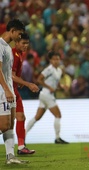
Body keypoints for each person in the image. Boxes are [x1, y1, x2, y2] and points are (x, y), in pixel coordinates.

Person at [0, 19, 29, 164]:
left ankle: (10, 157)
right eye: (19, 34)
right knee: (4, 125)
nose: (20, 37)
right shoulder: (0, 45)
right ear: (12, 31)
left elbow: (8, 73)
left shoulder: (9, 49)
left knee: (10, 125)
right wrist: (6, 89)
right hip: (2, 91)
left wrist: (12, 88)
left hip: (9, 90)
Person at [26, 51, 69, 144]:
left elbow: (55, 84)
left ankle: (23, 134)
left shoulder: (59, 70)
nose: (56, 61)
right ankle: (57, 138)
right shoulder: (48, 69)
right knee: (58, 115)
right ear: (50, 60)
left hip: (45, 95)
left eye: (57, 59)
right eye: (54, 59)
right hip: (46, 95)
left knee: (37, 117)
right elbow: (39, 79)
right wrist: (49, 87)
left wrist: (62, 87)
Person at [12, 32, 39, 155]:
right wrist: (28, 84)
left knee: (21, 117)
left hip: (14, 90)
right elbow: (10, 76)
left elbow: (14, 75)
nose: (25, 45)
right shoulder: (13, 54)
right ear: (16, 42)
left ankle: (21, 147)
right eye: (23, 43)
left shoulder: (20, 54)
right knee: (6, 124)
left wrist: (20, 81)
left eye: (27, 43)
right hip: (6, 91)